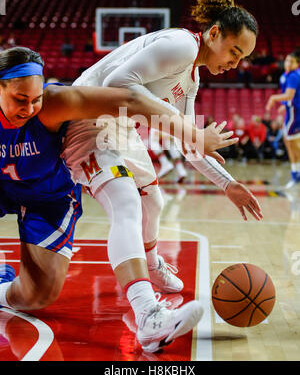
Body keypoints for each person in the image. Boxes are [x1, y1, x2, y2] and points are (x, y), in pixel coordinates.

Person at [61, 0, 263, 347]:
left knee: (154, 199)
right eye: (235, 52)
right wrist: (189, 131)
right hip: (87, 119)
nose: (236, 63)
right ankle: (148, 317)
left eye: (244, 58)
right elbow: (117, 84)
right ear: (214, 34)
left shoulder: (193, 77)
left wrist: (228, 184)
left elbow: (189, 144)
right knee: (126, 204)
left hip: (119, 129)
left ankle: (151, 264)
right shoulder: (182, 45)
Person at [0, 46, 236, 353]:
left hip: (46, 197)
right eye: (20, 99)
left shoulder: (54, 103)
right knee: (128, 203)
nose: (30, 108)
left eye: (36, 98)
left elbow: (130, 100)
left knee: (37, 297)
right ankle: (149, 312)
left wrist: (194, 135)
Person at [266, 52, 300, 188]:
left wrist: (273, 98)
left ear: (297, 64)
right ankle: (295, 174)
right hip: (292, 111)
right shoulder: (285, 75)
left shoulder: (294, 76)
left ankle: (295, 174)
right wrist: (285, 106)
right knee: (290, 143)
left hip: (295, 113)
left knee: (291, 143)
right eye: (286, 60)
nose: (288, 63)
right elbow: (291, 97)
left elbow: (289, 95)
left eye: (291, 62)